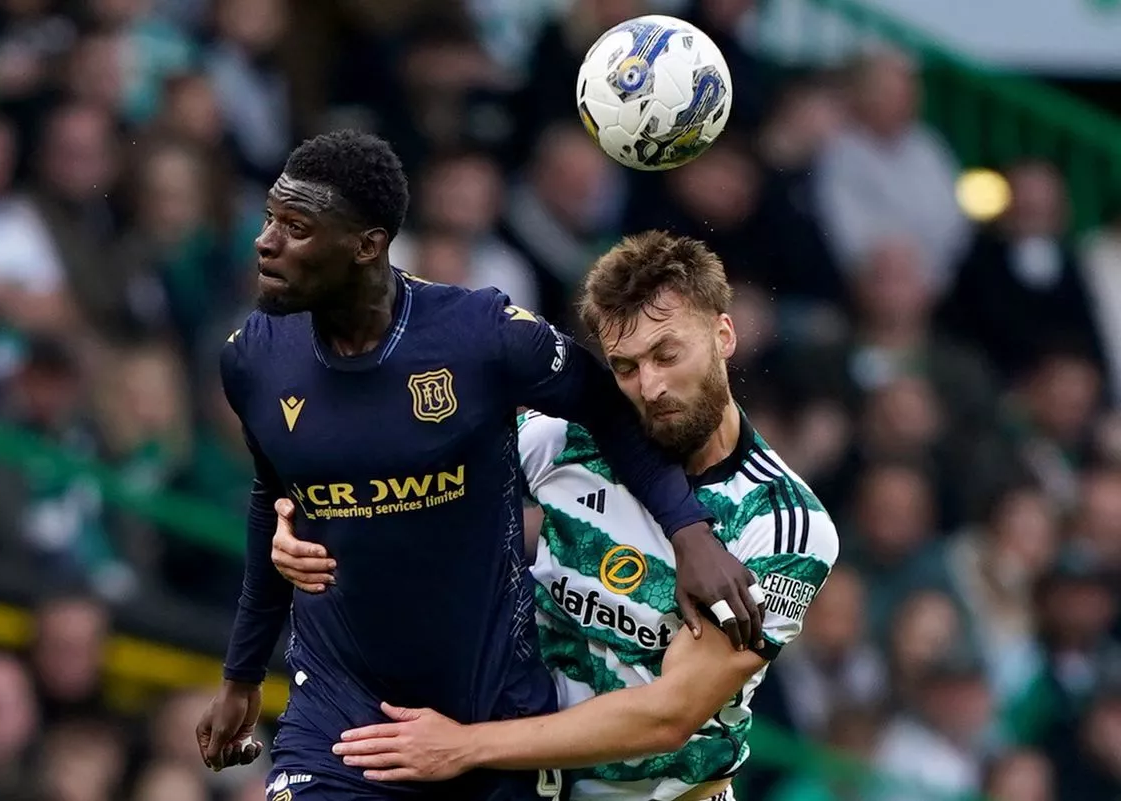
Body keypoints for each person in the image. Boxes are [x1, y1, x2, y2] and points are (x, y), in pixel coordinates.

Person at [194, 132, 765, 801]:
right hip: (340, 711)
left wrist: (689, 531)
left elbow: (610, 410)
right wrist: (241, 675)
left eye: (295, 227)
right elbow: (274, 495)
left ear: (366, 245)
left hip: (492, 712)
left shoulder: (481, 336)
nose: (265, 242)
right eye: (269, 220)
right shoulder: (251, 359)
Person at [273, 231, 841, 800]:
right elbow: (401, 488)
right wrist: (298, 531)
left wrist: (465, 745)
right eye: (624, 367)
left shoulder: (782, 524)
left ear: (723, 334)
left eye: (668, 353)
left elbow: (670, 714)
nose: (651, 386)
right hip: (521, 785)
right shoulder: (565, 440)